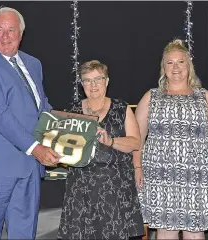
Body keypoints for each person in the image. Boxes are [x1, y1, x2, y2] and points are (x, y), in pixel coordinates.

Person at [0, 7, 59, 239]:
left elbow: (43, 108)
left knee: (24, 233)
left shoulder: (33, 64)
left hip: (28, 165)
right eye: (0, 30)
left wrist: (75, 126)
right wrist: (36, 148)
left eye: (11, 30)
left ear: (21, 33)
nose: (6, 36)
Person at [134, 39, 208, 240]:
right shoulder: (151, 97)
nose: (175, 67)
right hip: (159, 175)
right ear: (164, 68)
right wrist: (137, 167)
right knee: (165, 231)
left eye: (180, 62)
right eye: (170, 63)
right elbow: (137, 137)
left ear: (189, 66)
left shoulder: (205, 97)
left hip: (198, 175)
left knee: (194, 232)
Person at [57, 60, 144, 240]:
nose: (93, 84)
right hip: (80, 190)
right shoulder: (71, 111)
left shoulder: (122, 109)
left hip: (115, 189)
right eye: (87, 80)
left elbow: (135, 143)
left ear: (107, 81)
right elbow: (64, 152)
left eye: (98, 79)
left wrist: (111, 140)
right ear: (82, 84)